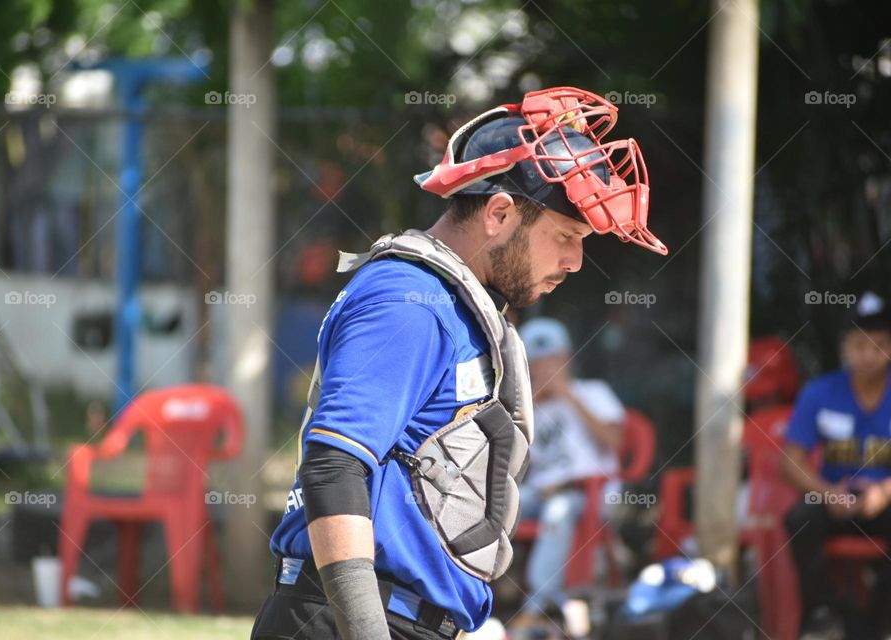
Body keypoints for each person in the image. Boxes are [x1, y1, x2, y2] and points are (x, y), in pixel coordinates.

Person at [250, 86, 666, 640]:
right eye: (566, 236)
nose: (575, 261)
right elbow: (335, 466)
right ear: (498, 212)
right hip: (347, 620)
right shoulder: (408, 299)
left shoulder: (457, 303)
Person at [780, 292, 891, 639]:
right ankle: (822, 609)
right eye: (860, 345)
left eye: (879, 345)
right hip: (833, 500)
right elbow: (791, 459)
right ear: (845, 346)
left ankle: (878, 619)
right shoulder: (820, 392)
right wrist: (827, 493)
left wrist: (885, 492)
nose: (869, 355)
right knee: (799, 518)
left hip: (885, 501)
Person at [509, 317, 625, 637]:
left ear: (567, 361)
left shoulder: (592, 391)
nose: (545, 370)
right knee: (492, 504)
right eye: (537, 365)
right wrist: (528, 402)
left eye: (553, 363)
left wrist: (568, 396)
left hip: (586, 493)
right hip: (537, 492)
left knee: (557, 513)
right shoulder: (525, 408)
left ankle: (536, 607)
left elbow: (616, 441)